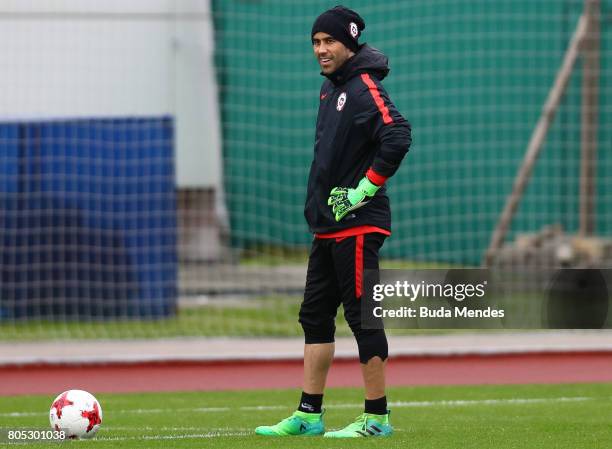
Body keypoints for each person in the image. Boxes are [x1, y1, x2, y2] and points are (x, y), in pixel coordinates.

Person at [255, 5, 411, 438]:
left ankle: (377, 418)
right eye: (316, 43)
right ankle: (308, 414)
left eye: (329, 42)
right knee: (315, 317)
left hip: (358, 224)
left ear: (350, 43)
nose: (321, 50)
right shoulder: (330, 89)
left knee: (363, 318)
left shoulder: (363, 86)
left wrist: (364, 190)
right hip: (328, 226)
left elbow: (397, 134)